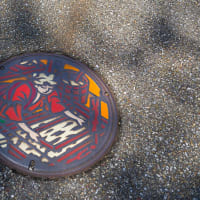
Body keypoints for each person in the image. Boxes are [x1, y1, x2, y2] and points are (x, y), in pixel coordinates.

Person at [1, 73, 85, 142]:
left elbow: (58, 106)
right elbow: (14, 112)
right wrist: (30, 132)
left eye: (50, 87)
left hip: (18, 117)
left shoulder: (48, 92)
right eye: (44, 87)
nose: (47, 90)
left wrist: (76, 118)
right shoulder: (23, 88)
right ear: (36, 84)